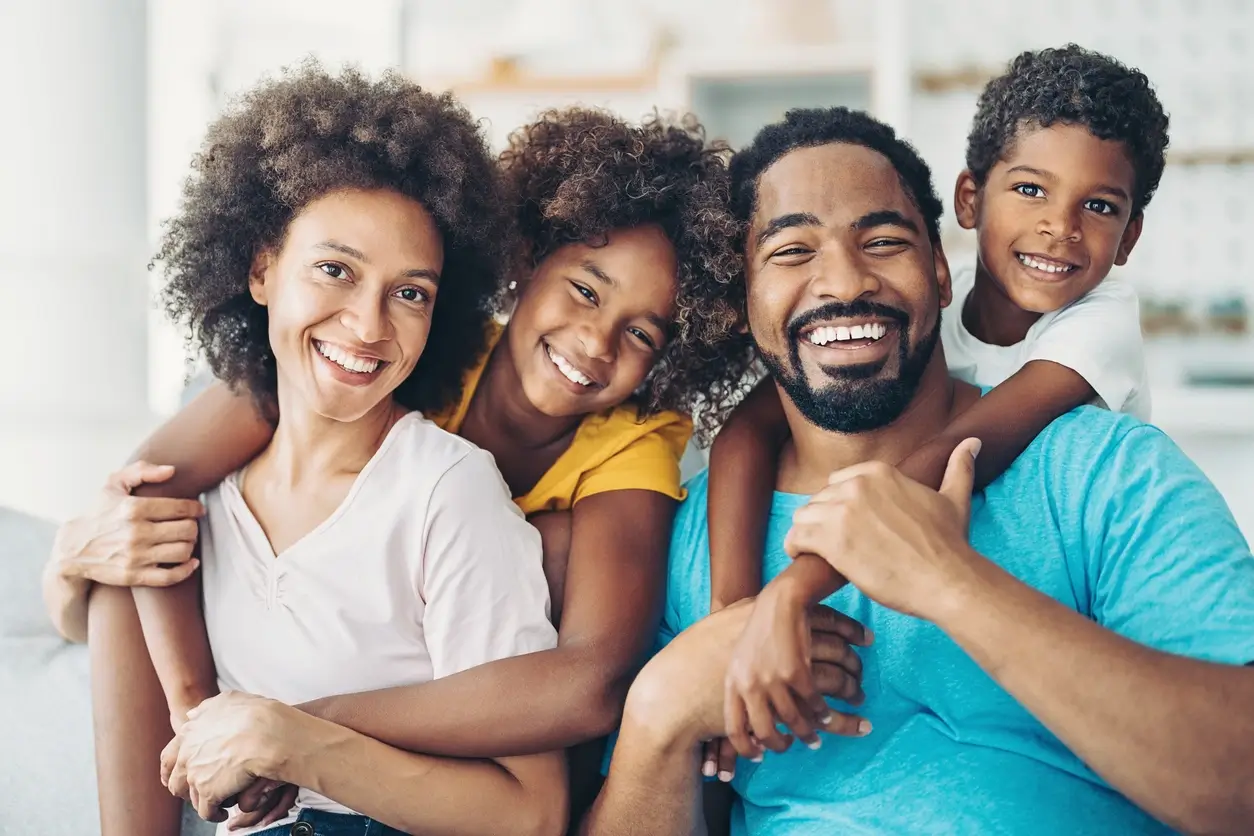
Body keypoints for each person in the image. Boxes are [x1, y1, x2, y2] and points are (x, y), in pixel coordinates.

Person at [43, 103, 753, 833]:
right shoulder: (394, 347)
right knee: (139, 544)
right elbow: (143, 497)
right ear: (527, 261)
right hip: (372, 655)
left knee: (557, 545)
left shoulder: (625, 443)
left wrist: (297, 729)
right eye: (584, 289)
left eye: (641, 332)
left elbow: (588, 683)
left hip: (498, 728)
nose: (596, 341)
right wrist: (191, 705)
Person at [582, 106, 1254, 835]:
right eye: (791, 251)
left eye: (883, 240)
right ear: (743, 303)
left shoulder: (1107, 474)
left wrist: (952, 583)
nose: (844, 281)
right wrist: (661, 710)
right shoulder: (694, 540)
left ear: (941, 269)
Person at [82, 63, 565, 835]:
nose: (369, 326)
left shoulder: (448, 493)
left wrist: (298, 748)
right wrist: (199, 717)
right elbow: (101, 594)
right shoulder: (194, 505)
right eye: (334, 270)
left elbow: (531, 813)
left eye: (410, 293)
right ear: (262, 268)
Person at [705, 44, 1166, 632]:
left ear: (1128, 238)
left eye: (1099, 206)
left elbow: (964, 447)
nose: (1060, 227)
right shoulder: (920, 294)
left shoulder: (1100, 326)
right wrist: (728, 613)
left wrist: (790, 595)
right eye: (1030, 190)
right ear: (969, 200)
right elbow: (748, 428)